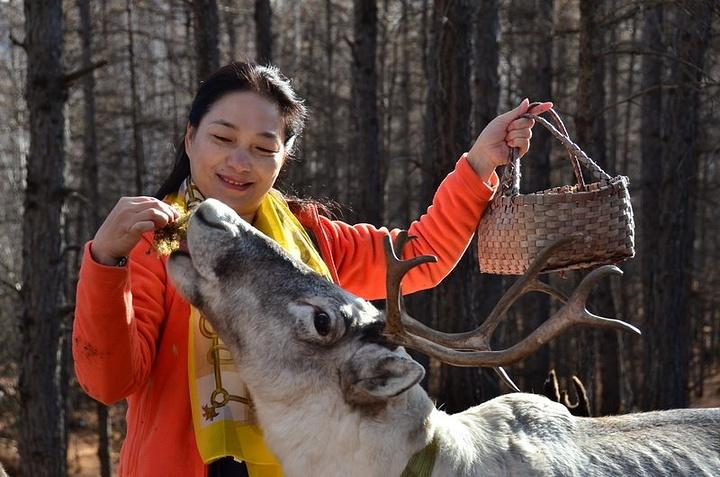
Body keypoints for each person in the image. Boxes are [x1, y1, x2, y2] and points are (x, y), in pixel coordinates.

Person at [72, 61, 551, 477]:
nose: (240, 162)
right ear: (191, 136)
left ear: (285, 155)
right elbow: (109, 381)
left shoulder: (311, 243)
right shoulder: (156, 245)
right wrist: (106, 262)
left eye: (264, 147)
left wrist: (480, 163)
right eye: (222, 137)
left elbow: (422, 252)